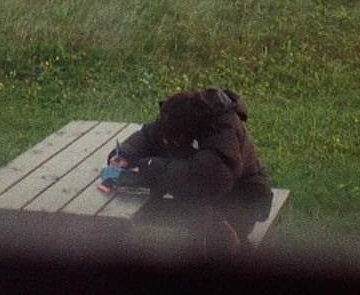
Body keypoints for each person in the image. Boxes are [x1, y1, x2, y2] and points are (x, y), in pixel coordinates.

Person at [100, 88, 273, 255]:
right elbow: (151, 135)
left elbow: (205, 178)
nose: (168, 141)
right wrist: (125, 153)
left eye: (173, 138)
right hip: (211, 200)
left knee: (194, 204)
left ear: (188, 133)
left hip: (244, 202)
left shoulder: (222, 131)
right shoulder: (184, 114)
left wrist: (151, 165)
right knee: (183, 201)